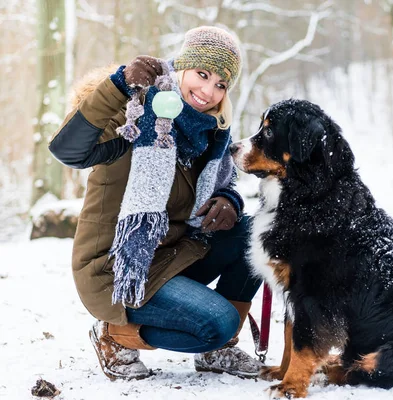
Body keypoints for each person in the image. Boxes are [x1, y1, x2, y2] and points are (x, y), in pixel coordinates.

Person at [48, 26, 263, 380]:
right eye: (203, 74)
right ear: (182, 67)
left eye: (221, 84)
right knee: (218, 323)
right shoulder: (135, 116)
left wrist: (228, 198)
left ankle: (216, 350)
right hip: (116, 269)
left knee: (253, 234)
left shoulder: (208, 131)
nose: (208, 91)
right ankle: (115, 335)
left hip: (172, 255)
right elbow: (67, 151)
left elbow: (224, 182)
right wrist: (117, 85)